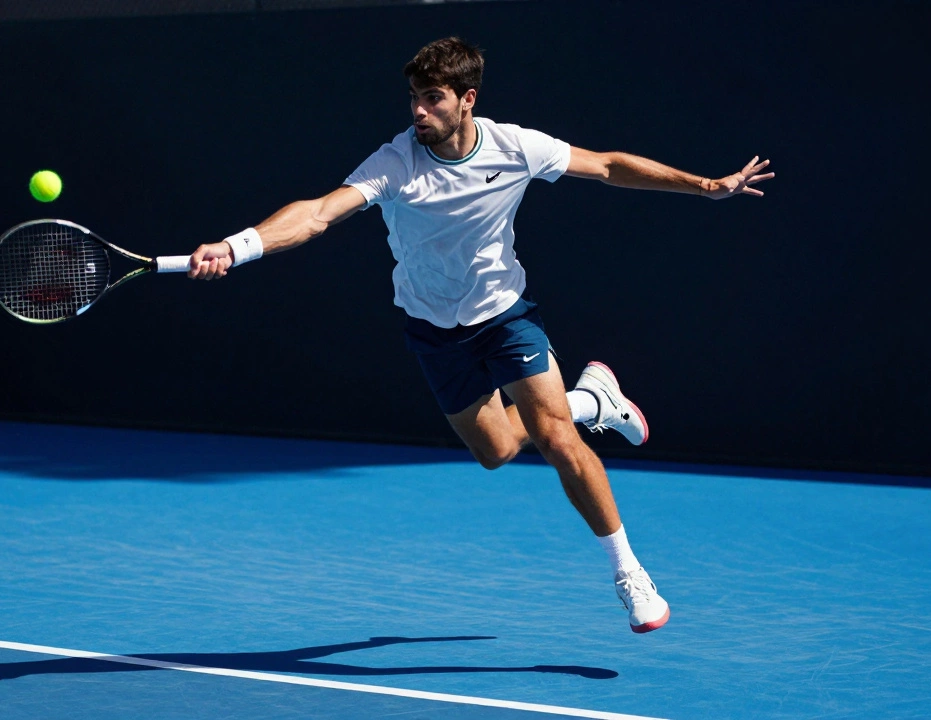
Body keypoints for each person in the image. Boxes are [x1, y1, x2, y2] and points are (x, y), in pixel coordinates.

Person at [184, 38, 773, 633]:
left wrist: (704, 186)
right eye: (413, 98)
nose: (419, 111)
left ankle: (629, 573)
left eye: (433, 98)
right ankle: (593, 400)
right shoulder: (395, 163)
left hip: (505, 315)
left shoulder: (515, 146)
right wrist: (238, 246)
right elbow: (317, 214)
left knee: (556, 438)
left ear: (467, 99)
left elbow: (607, 165)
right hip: (434, 329)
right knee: (496, 451)